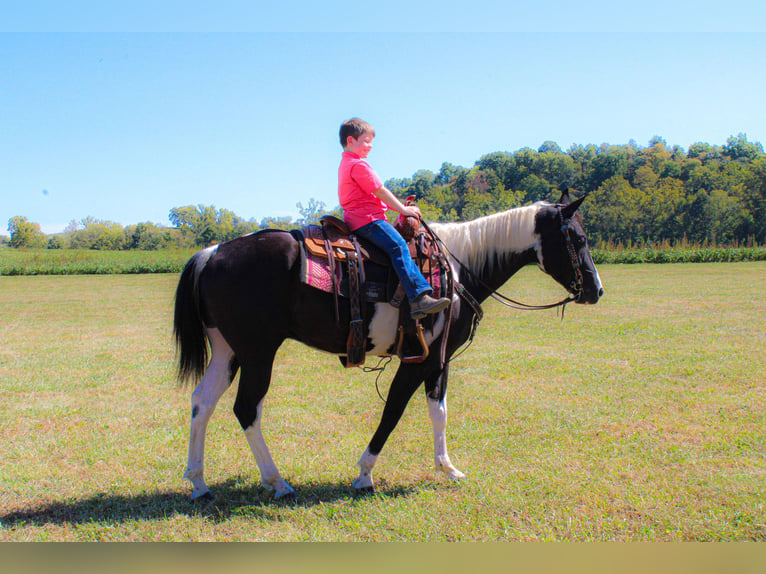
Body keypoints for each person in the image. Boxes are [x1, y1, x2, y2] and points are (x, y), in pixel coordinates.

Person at [338, 118, 450, 319]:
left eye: (371, 142)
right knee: (398, 246)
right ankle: (418, 298)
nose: (370, 146)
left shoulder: (346, 163)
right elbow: (380, 191)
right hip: (368, 220)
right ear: (350, 140)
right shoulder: (358, 165)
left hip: (357, 219)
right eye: (366, 141)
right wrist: (403, 210)